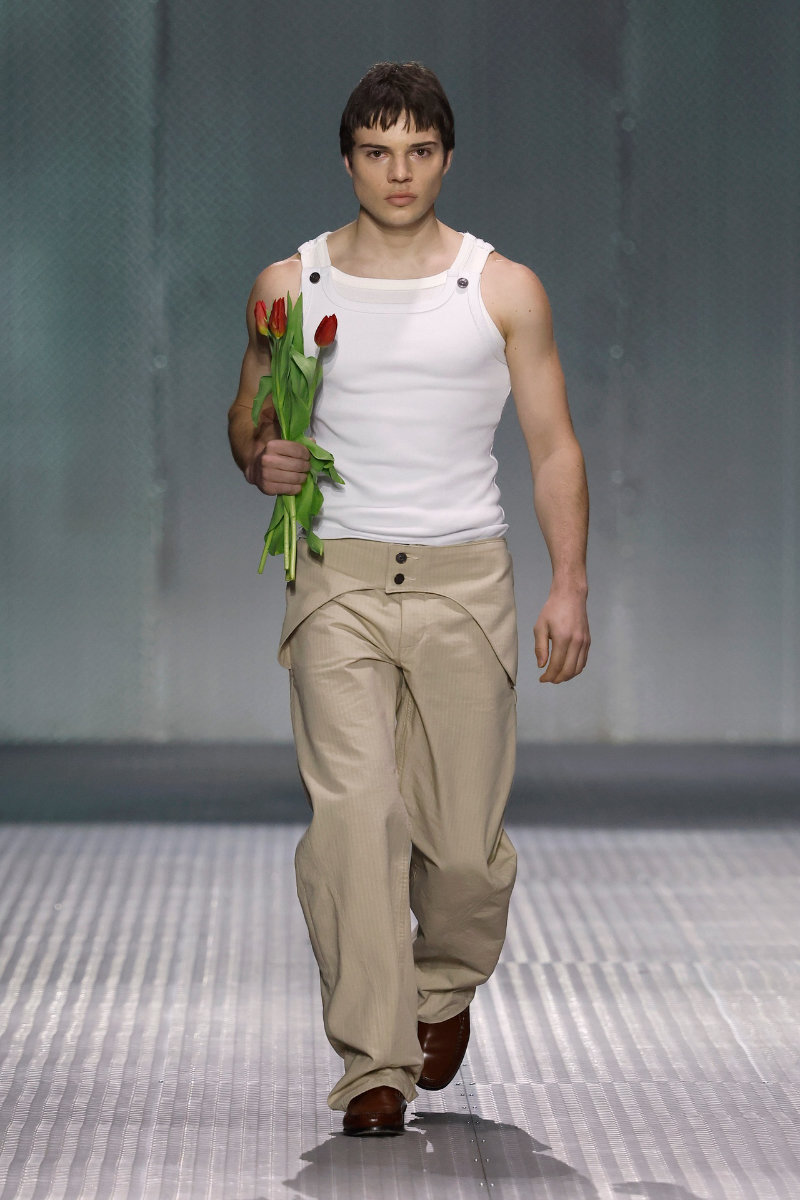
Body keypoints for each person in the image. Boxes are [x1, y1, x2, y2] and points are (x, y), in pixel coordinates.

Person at [227, 61, 590, 1137]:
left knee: (466, 855)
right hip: (336, 578)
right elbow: (249, 421)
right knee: (354, 821)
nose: (398, 171)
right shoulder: (291, 286)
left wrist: (567, 582)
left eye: (418, 151)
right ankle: (372, 1062)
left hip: (461, 583)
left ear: (444, 157)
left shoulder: (501, 288)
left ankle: (441, 988)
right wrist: (261, 461)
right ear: (347, 160)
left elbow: (552, 445)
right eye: (377, 152)